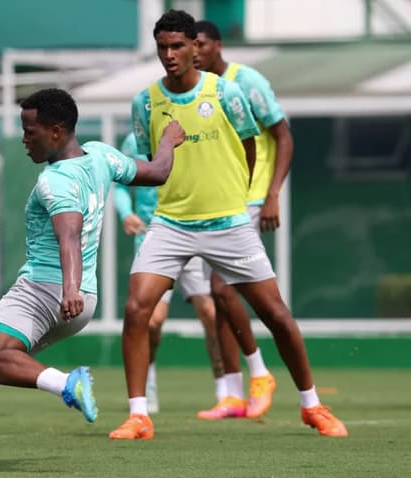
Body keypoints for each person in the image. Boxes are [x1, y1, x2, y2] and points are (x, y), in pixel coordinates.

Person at [0, 88, 186, 469]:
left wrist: (68, 288)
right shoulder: (102, 155)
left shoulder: (55, 181)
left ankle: (66, 384)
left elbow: (68, 235)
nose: (25, 139)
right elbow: (158, 172)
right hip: (81, 299)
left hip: (45, 291)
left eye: (30, 131)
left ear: (57, 132)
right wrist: (170, 142)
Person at [109, 10, 347, 440]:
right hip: (171, 223)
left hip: (228, 222)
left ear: (193, 46)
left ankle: (312, 405)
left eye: (178, 45)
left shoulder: (227, 92)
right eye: (162, 47)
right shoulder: (144, 102)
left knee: (275, 313)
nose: (170, 55)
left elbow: (250, 148)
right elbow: (150, 163)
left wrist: (235, 197)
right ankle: (139, 415)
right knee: (136, 309)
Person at [192, 19, 295, 420]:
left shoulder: (246, 80)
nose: (194, 52)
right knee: (221, 299)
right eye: (190, 45)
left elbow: (283, 135)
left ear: (217, 45)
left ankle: (259, 373)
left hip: (250, 199)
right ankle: (233, 393)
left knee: (221, 290)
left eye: (200, 44)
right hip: (216, 203)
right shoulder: (196, 90)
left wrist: (272, 195)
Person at [113, 133, 224, 415]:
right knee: (152, 321)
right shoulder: (133, 142)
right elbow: (120, 186)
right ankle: (147, 385)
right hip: (155, 239)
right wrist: (126, 213)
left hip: (193, 233)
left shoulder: (193, 135)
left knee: (211, 313)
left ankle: (225, 390)